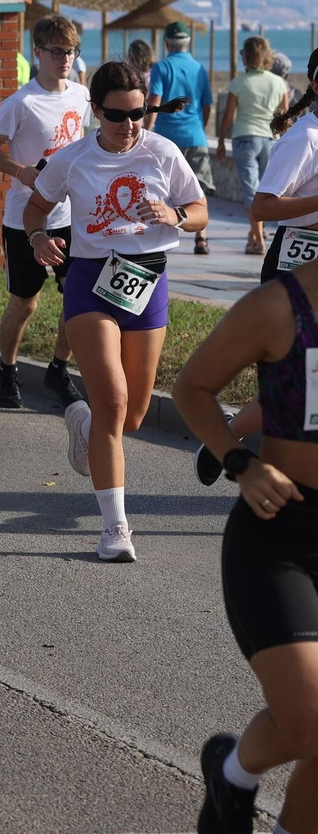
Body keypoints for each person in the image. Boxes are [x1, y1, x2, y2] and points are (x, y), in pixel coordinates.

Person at [24, 61, 204, 562]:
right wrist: (38, 237)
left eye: (140, 113)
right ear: (96, 111)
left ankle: (82, 427)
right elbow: (34, 207)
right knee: (114, 402)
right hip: (90, 283)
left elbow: (200, 209)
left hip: (148, 280)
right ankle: (115, 528)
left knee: (135, 415)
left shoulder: (162, 152)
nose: (130, 125)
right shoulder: (73, 158)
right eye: (118, 115)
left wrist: (176, 215)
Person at [173, 252, 318, 834]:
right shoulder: (280, 306)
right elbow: (192, 388)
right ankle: (232, 773)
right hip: (281, 532)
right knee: (309, 719)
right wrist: (240, 462)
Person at [199, 50, 318, 482]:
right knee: (298, 383)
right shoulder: (305, 137)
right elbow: (261, 207)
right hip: (293, 264)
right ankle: (230, 438)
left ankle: (231, 435)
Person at [0, 14, 90, 409]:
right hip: (24, 217)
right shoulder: (21, 102)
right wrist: (20, 171)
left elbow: (85, 143)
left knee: (78, 297)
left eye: (71, 51)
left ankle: (58, 369)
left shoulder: (81, 95)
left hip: (71, 217)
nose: (64, 59)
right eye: (56, 51)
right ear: (37, 52)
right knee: (26, 302)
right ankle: (6, 370)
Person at [147, 20, 215, 254]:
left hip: (167, 139)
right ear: (188, 42)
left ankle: (162, 235)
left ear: (166, 42)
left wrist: (147, 128)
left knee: (162, 188)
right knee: (199, 189)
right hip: (195, 136)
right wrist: (200, 128)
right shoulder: (198, 68)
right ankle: (201, 237)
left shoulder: (161, 67)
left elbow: (154, 100)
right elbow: (207, 105)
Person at [220, 36, 289, 256]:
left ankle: (259, 241)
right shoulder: (279, 83)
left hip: (245, 139)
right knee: (265, 190)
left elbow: (228, 118)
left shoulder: (239, 82)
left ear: (247, 56)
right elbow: (285, 118)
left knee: (251, 192)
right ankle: (253, 236)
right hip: (270, 140)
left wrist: (221, 141)